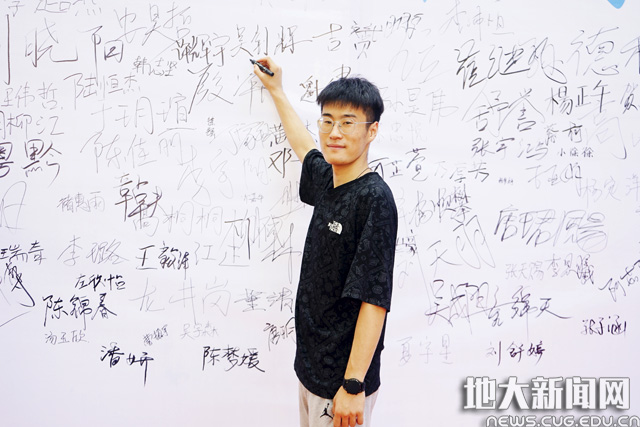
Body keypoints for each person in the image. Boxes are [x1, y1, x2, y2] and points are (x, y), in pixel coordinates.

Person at [253, 57, 397, 427]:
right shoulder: (330, 181)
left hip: (341, 384)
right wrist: (277, 90)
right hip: (311, 370)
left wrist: (353, 384)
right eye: (327, 121)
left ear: (372, 131)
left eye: (348, 122)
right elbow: (305, 148)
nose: (335, 132)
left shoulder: (374, 199)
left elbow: (374, 300)